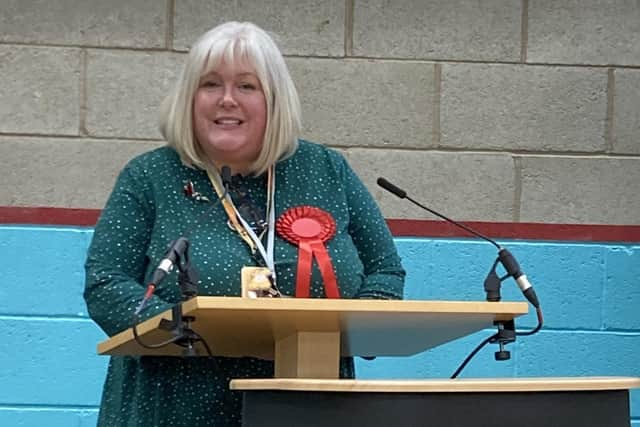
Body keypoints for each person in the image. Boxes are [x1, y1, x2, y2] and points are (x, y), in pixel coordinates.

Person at [84, 21, 405, 426]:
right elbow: (106, 283)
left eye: (247, 86)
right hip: (173, 406)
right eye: (211, 85)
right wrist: (196, 334)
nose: (227, 100)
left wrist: (355, 329)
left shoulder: (326, 171)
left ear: (274, 99)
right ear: (190, 98)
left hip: (310, 407)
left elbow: (385, 271)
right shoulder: (149, 176)